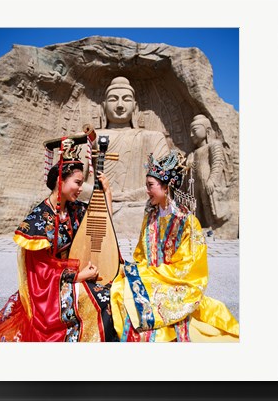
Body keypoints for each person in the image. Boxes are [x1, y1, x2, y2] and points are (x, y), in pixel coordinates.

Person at [0, 139, 118, 342]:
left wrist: (108, 194)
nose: (80, 188)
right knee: (103, 298)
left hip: (75, 273)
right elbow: (40, 273)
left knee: (116, 287)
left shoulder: (73, 209)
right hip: (48, 290)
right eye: (77, 183)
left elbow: (104, 225)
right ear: (61, 180)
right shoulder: (39, 220)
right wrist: (78, 277)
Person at [110, 150, 239, 342]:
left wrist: (153, 274)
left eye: (150, 186)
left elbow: (190, 268)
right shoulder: (151, 216)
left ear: (166, 187)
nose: (147, 190)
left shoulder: (187, 222)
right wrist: (140, 268)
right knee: (120, 285)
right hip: (153, 277)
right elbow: (141, 253)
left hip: (175, 283)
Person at [98, 76, 170, 202]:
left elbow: (164, 181)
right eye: (113, 99)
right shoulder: (90, 138)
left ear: (135, 107)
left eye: (126, 100)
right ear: (103, 107)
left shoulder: (153, 138)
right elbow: (72, 182)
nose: (120, 105)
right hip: (96, 204)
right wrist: (102, 194)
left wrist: (130, 196)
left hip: (139, 206)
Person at [187, 114, 232, 230]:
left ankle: (213, 226)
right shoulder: (194, 152)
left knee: (208, 204)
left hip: (207, 181)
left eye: (195, 130)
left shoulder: (214, 145)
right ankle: (198, 225)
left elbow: (218, 163)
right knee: (195, 205)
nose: (191, 135)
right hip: (195, 183)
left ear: (207, 130)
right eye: (190, 131)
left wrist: (212, 180)